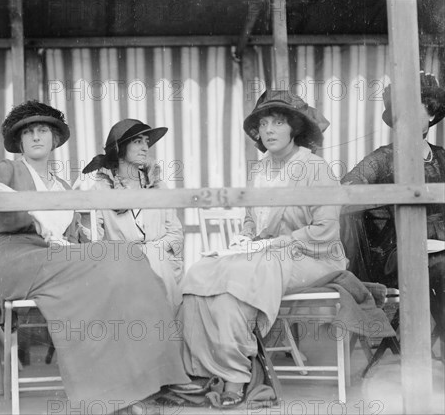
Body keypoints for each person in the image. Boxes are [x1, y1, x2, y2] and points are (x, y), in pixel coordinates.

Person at [0, 101, 190, 414]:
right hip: (20, 255)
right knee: (106, 270)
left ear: (55, 139)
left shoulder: (65, 186)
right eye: (28, 133)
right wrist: (33, 210)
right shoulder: (8, 169)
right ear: (20, 142)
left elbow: (75, 236)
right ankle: (107, 397)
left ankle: (149, 383)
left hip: (59, 257)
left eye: (43, 131)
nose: (36, 137)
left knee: (128, 258)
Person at [176, 90, 348, 407]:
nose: (268, 130)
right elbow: (250, 219)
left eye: (278, 122)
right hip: (265, 254)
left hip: (313, 255)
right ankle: (208, 370)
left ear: (294, 128)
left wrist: (275, 242)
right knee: (201, 271)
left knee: (239, 279)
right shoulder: (260, 169)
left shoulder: (315, 168)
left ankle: (236, 376)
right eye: (264, 123)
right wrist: (246, 236)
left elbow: (325, 230)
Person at [341, 71, 445, 345]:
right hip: (394, 254)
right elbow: (346, 189)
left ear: (431, 115)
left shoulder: (443, 157)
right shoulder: (383, 159)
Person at [82, 119, 184, 310]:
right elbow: (93, 240)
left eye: (146, 142)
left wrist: (151, 251)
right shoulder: (101, 190)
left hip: (161, 266)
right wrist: (83, 219)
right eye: (138, 142)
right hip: (121, 267)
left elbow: (176, 235)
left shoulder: (158, 186)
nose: (146, 147)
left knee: (155, 262)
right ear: (120, 149)